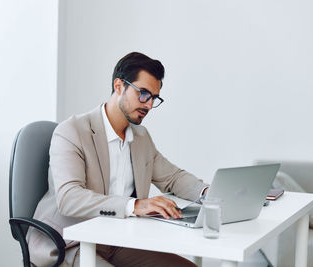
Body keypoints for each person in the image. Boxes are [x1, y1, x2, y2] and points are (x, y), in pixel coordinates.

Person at [27, 52, 209, 267]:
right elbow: (69, 198)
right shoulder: (72, 131)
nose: (149, 105)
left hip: (119, 241)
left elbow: (173, 178)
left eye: (154, 97)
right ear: (119, 86)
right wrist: (135, 205)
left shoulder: (140, 138)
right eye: (143, 94)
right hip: (70, 244)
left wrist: (210, 193)